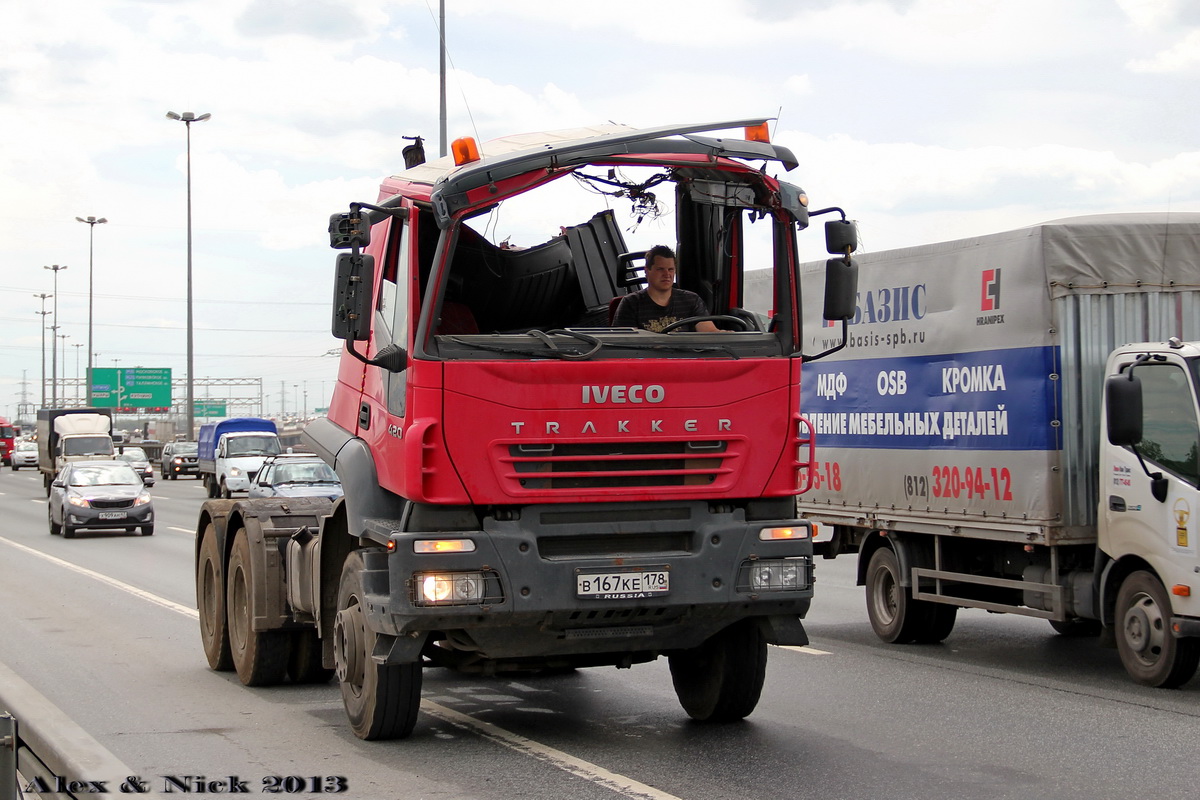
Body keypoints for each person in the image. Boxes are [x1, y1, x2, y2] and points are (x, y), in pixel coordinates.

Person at [612, 245, 719, 332]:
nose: (667, 274)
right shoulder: (630, 303)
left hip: (684, 357)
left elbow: (710, 332)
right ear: (647, 271)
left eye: (670, 269)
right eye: (660, 269)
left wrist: (726, 335)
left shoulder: (691, 300)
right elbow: (625, 343)